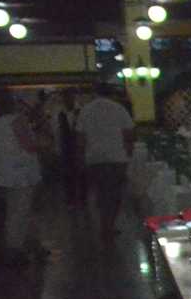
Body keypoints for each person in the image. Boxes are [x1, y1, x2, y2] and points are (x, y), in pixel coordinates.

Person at [0, 89, 45, 266]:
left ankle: (33, 244)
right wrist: (43, 143)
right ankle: (14, 250)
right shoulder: (16, 120)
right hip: (20, 174)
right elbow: (29, 145)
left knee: (18, 210)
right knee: (19, 212)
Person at [76, 83, 136, 242]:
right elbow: (129, 133)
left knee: (100, 193)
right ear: (112, 94)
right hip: (117, 157)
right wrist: (129, 153)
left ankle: (104, 224)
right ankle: (109, 224)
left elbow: (80, 137)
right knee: (115, 194)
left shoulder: (86, 110)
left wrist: (81, 157)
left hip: (94, 158)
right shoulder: (119, 109)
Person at [56, 89, 83, 207]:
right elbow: (58, 133)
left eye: (69, 97)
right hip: (66, 149)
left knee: (81, 175)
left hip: (78, 148)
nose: (67, 100)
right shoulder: (60, 114)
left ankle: (81, 201)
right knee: (68, 176)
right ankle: (71, 201)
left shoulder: (81, 112)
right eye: (65, 97)